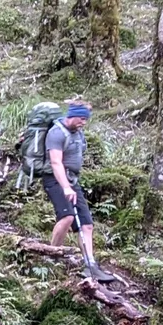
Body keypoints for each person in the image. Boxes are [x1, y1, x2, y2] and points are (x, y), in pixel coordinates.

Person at [40, 100, 108, 281]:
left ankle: (90, 264)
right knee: (67, 217)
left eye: (86, 119)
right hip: (55, 180)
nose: (84, 122)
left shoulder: (77, 133)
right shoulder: (56, 133)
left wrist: (71, 185)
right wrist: (65, 187)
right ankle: (52, 256)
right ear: (72, 115)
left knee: (86, 224)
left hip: (72, 180)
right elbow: (55, 162)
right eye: (81, 118)